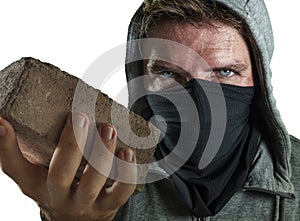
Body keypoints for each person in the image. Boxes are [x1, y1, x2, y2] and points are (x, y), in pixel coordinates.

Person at [0, 0, 299, 220]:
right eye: (168, 73)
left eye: (225, 72)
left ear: (260, 81)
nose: (200, 102)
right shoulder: (94, 182)